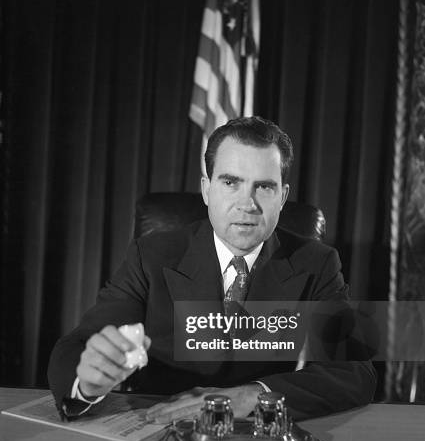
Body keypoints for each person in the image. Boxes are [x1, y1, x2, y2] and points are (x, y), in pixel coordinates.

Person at [48, 116, 376, 422]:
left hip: (258, 437)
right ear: (207, 189)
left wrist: (254, 397)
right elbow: (76, 346)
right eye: (231, 182)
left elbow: (354, 371)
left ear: (282, 197)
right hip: (162, 428)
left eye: (264, 187)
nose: (247, 204)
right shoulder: (151, 255)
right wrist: (88, 382)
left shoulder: (316, 262)